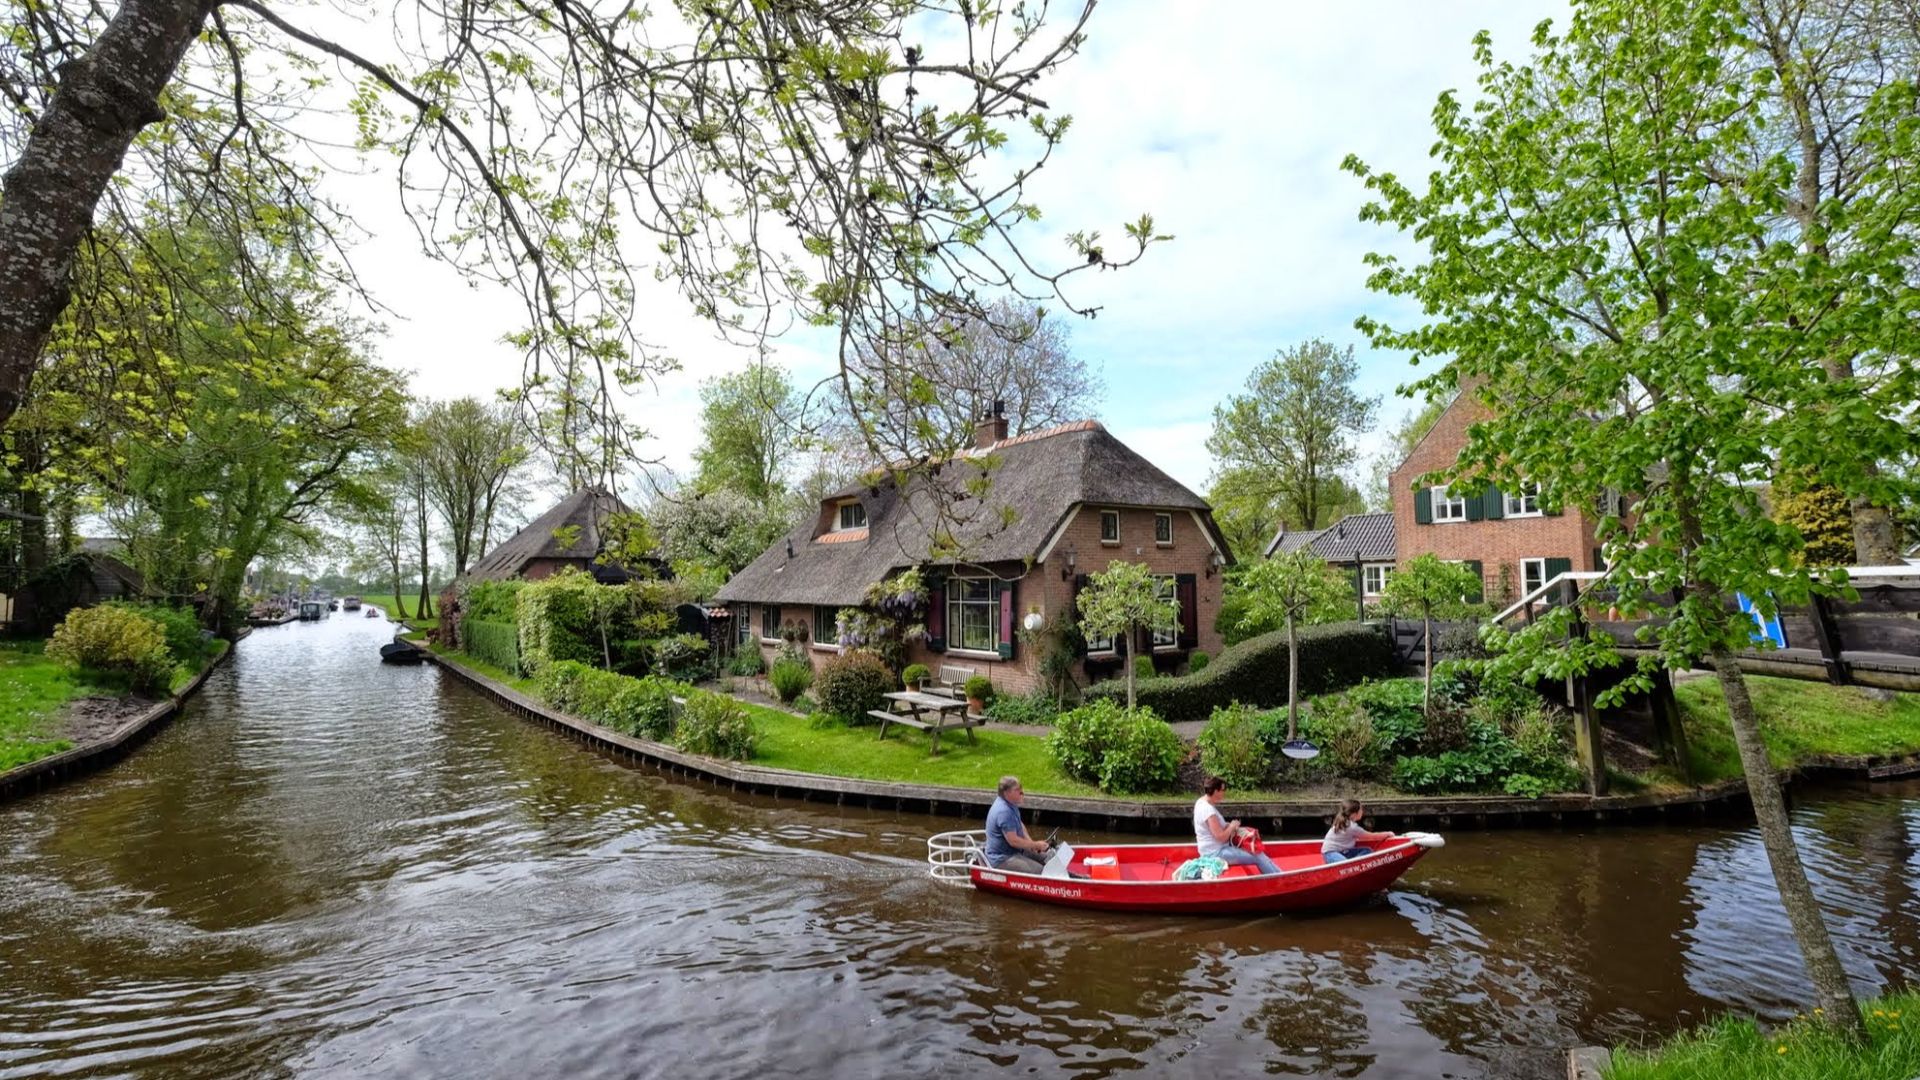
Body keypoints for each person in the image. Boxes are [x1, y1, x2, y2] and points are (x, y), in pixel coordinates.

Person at [1193, 776, 1279, 875]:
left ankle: (1279, 874)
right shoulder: (1208, 810)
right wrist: (1231, 827)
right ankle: (1279, 880)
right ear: (1216, 791)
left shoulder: (1200, 802)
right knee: (1257, 855)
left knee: (1257, 851)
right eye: (1223, 790)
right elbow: (1220, 837)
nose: (1224, 793)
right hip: (1216, 853)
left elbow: (1215, 829)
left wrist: (1230, 826)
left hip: (1214, 850)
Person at [983, 775, 1054, 874]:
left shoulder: (1011, 804)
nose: (1022, 792)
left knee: (1050, 859)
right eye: (1017, 789)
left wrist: (1032, 845)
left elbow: (1019, 824)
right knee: (1040, 871)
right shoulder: (1004, 811)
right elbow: (1013, 841)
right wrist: (1036, 844)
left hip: (1016, 851)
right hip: (1002, 857)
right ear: (1006, 793)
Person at [1322, 799, 1392, 863]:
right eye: (1361, 810)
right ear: (1355, 814)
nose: (1362, 811)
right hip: (1330, 853)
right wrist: (1388, 833)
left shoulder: (1345, 822)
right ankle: (1353, 865)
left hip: (1343, 851)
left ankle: (1354, 864)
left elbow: (1362, 836)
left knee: (1367, 851)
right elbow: (1371, 836)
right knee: (1345, 865)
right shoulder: (1351, 827)